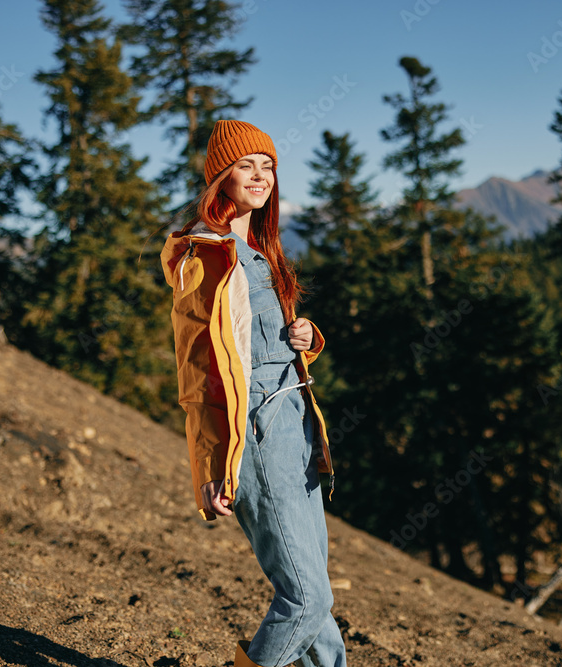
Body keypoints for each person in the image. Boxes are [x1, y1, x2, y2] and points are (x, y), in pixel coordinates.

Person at [159, 120, 346, 667]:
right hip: (260, 438)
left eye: (268, 166)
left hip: (298, 427)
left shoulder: (258, 248)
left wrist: (306, 337)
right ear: (221, 176)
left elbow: (258, 341)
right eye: (247, 165)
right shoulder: (206, 257)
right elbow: (199, 369)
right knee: (305, 598)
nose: (260, 176)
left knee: (320, 601)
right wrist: (210, 462)